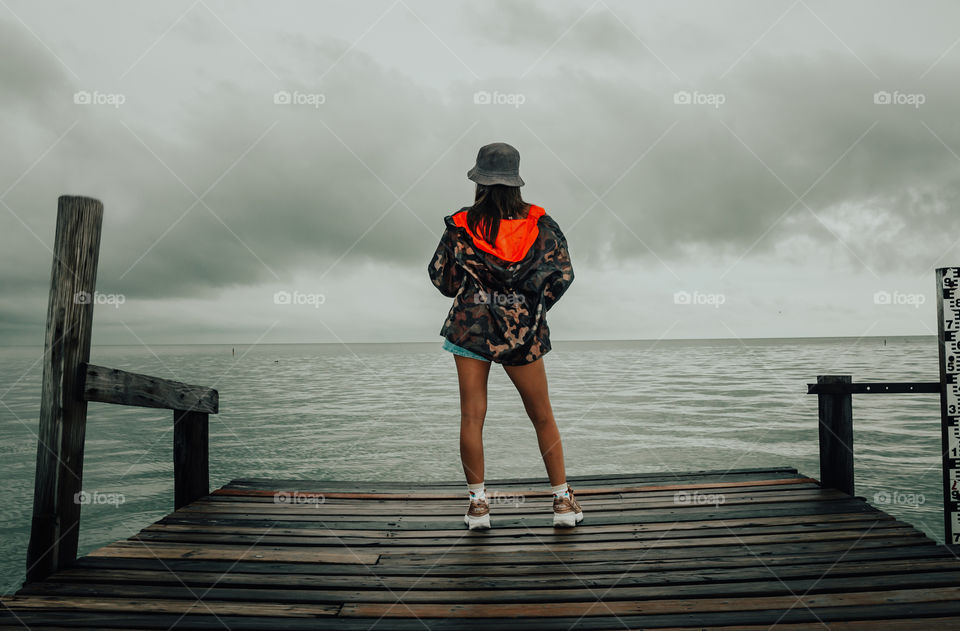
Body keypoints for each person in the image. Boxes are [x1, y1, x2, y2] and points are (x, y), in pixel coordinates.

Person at [427, 142, 579, 529]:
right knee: (542, 416)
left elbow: (443, 280)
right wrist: (526, 307)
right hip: (522, 331)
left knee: (472, 416)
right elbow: (562, 275)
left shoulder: (461, 224)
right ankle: (562, 503)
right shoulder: (541, 225)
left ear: (479, 179)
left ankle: (478, 506)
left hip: (470, 327)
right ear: (515, 181)